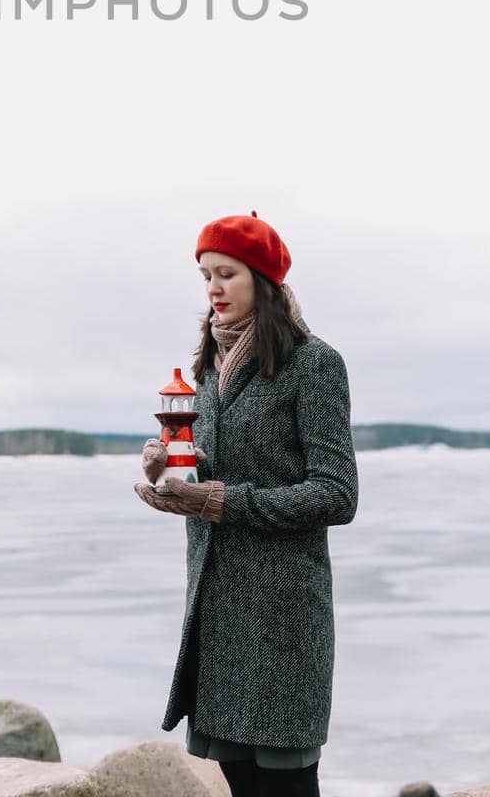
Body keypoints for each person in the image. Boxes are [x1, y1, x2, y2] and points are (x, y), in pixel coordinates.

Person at [134, 209, 359, 797]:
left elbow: (336, 494)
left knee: (286, 787)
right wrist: (172, 470)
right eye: (206, 274)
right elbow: (218, 467)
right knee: (238, 782)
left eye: (226, 273)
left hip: (282, 617)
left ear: (264, 280)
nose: (212, 288)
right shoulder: (210, 367)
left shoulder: (314, 364)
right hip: (218, 612)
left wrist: (217, 501)